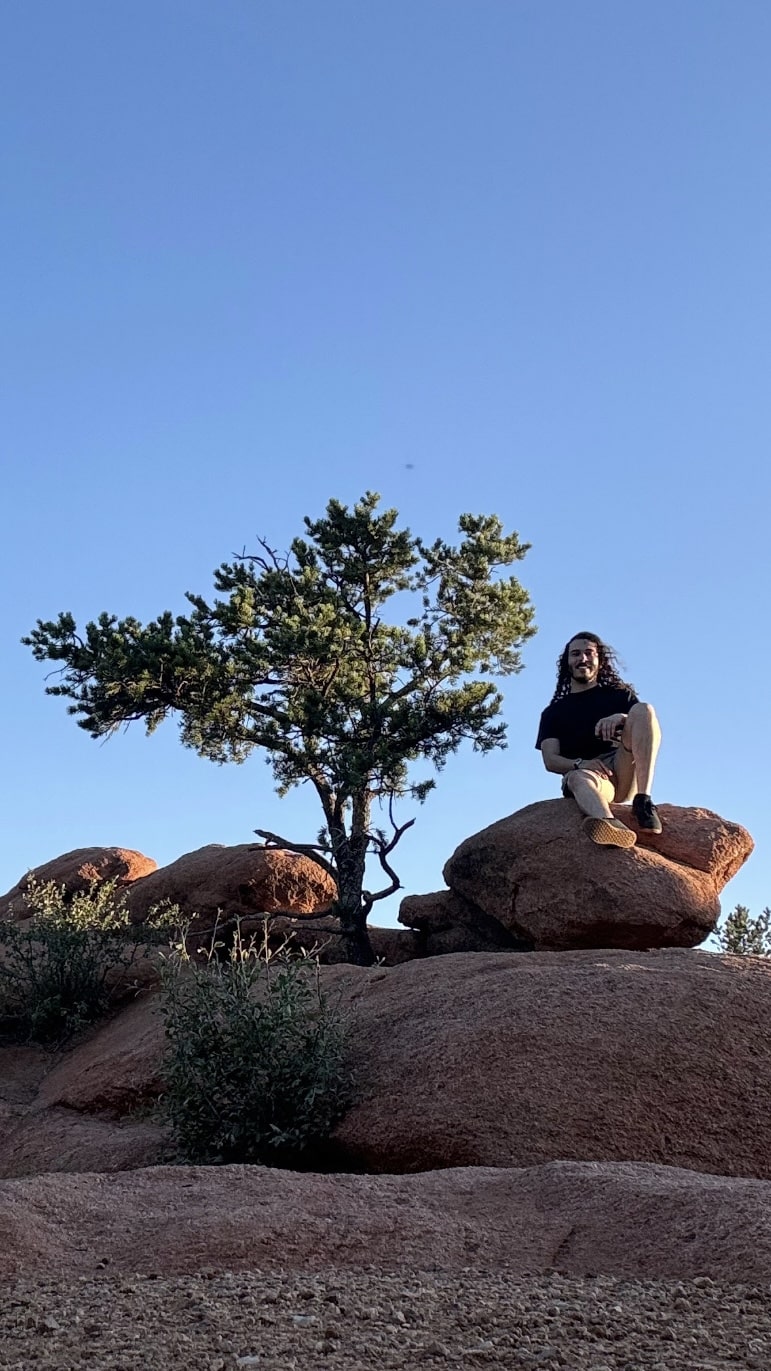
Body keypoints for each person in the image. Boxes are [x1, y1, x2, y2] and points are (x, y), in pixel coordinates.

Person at [535, 631, 662, 847]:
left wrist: (621, 717)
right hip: (593, 778)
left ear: (599, 660)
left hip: (623, 766)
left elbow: (643, 724)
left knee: (643, 710)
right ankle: (610, 826)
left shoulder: (620, 696)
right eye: (575, 654)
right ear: (567, 662)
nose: (582, 659)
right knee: (576, 778)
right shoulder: (553, 713)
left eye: (589, 653)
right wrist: (580, 763)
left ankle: (643, 801)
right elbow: (550, 760)